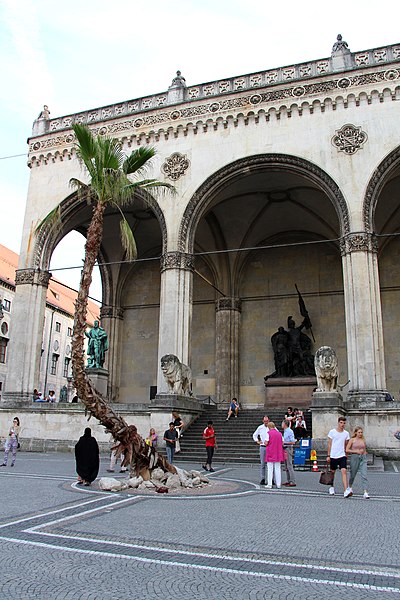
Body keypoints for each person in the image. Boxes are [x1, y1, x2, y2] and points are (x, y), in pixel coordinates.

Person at [327, 417, 352, 498]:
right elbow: (330, 444)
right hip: (333, 455)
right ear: (338, 423)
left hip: (342, 455)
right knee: (332, 473)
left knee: (344, 471)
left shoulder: (346, 433)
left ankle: (345, 490)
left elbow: (346, 445)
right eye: (341, 423)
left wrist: (346, 454)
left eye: (344, 423)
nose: (342, 425)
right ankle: (331, 487)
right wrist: (328, 455)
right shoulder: (332, 432)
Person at [346, 427, 370, 499]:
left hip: (363, 458)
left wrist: (365, 453)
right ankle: (349, 486)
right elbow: (347, 449)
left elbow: (364, 448)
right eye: (359, 432)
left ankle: (365, 492)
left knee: (364, 475)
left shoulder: (363, 439)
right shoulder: (352, 440)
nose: (360, 434)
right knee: (353, 474)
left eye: (361, 432)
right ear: (356, 433)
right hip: (355, 457)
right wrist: (356, 451)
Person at [265, 422, 285, 489]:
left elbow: (266, 442)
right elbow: (282, 442)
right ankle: (278, 484)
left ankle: (269, 484)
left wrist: (264, 442)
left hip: (270, 452)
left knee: (270, 468)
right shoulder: (279, 434)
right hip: (278, 452)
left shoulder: (268, 433)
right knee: (277, 468)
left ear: (269, 427)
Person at [252, 415, 270, 485]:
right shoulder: (260, 427)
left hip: (269, 446)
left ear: (268, 421)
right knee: (263, 463)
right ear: (263, 421)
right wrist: (257, 441)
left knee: (270, 463)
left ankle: (271, 478)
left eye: (267, 421)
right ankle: (263, 478)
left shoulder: (271, 427)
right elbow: (254, 435)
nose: (266, 422)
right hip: (262, 446)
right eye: (265, 421)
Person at [282, 420, 296, 487]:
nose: (281, 424)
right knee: (286, 466)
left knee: (289, 465)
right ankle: (288, 480)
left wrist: (284, 443)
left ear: (285, 424)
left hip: (288, 448)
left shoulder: (289, 431)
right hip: (285, 448)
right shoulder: (285, 431)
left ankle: (292, 481)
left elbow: (293, 442)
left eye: (282, 423)